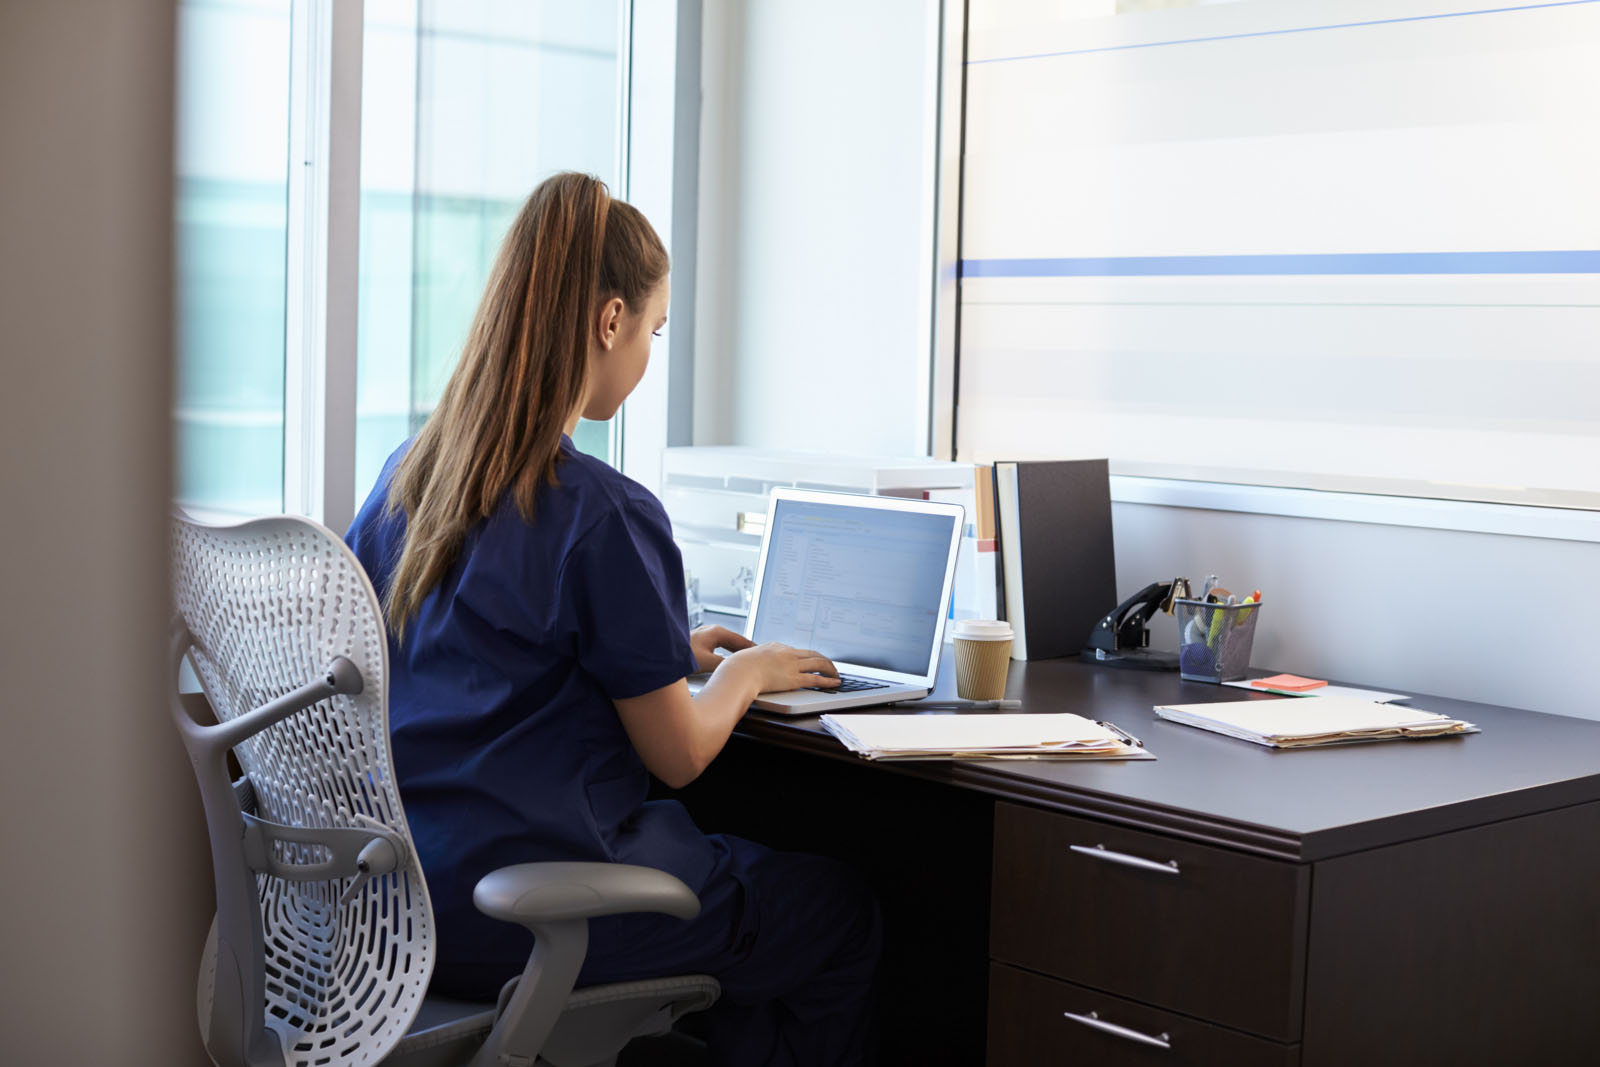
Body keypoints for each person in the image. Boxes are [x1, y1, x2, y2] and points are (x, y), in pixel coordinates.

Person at [346, 172, 881, 1066]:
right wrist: (744, 674)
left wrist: (664, 658)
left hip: (405, 905)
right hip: (535, 912)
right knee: (836, 913)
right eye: (654, 330)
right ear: (609, 320)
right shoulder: (601, 511)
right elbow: (678, 754)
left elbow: (478, 655)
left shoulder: (410, 477)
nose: (646, 354)